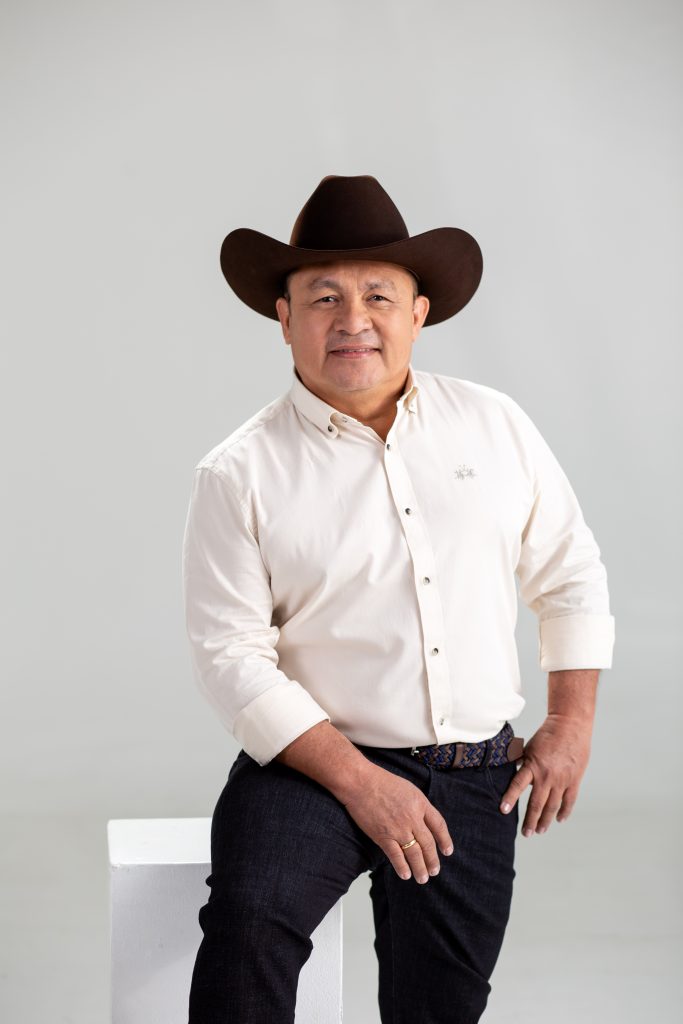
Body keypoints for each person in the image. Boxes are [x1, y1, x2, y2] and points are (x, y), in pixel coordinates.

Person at [181, 174, 615, 1023]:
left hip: (472, 771)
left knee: (439, 1006)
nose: (353, 319)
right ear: (284, 317)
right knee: (247, 929)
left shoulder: (496, 425)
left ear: (417, 313)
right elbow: (230, 657)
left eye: (378, 295)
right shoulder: (238, 472)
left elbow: (570, 573)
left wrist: (570, 723)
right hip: (311, 766)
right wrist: (358, 782)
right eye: (324, 297)